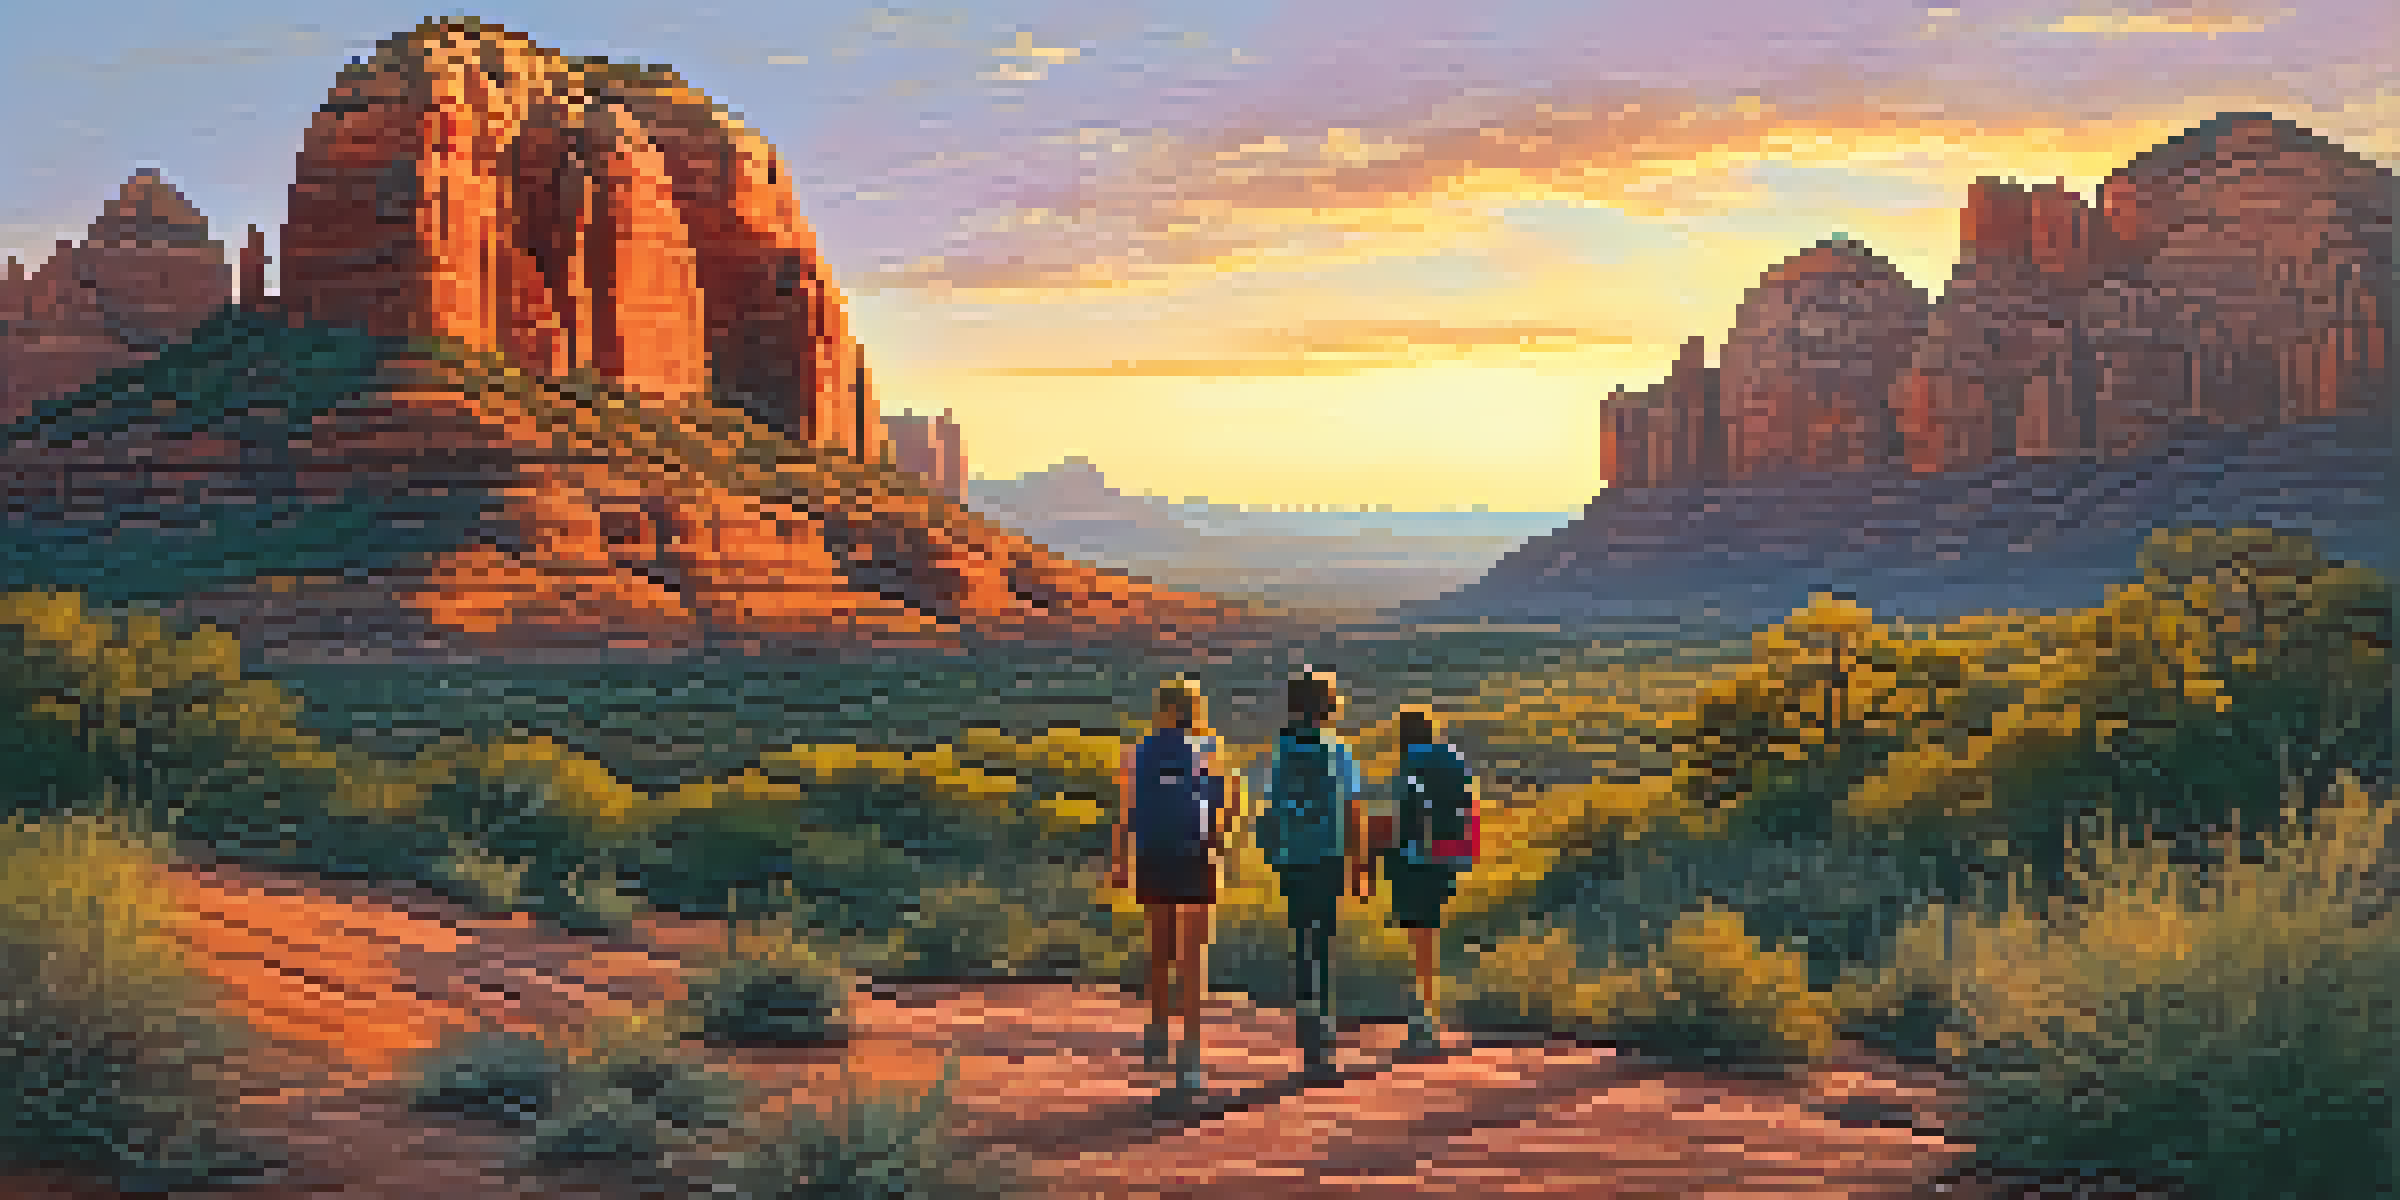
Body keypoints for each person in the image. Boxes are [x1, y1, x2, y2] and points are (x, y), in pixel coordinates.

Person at [1108, 677, 1242, 1095]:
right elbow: (1227, 805)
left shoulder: (1137, 752)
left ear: (1161, 709)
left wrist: (1119, 861)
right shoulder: (1210, 751)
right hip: (1196, 854)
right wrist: (1219, 849)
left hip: (1152, 853)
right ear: (1195, 709)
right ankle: (1192, 1052)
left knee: (1160, 945)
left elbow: (1127, 810)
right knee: (1193, 954)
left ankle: (1158, 1028)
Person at [1254, 668, 1368, 1081]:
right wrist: (1359, 865)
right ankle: (1323, 1044)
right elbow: (1355, 810)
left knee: (1302, 946)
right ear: (1328, 705)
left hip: (1292, 857)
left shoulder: (1281, 749)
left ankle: (1308, 1037)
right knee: (1322, 945)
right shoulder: (1338, 750)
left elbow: (1269, 804)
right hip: (1329, 855)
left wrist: (1274, 852)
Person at [1371, 705, 1479, 1056]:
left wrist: (1373, 858)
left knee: (1419, 936)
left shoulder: (1408, 766)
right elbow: (1470, 808)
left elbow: (1398, 816)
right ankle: (1429, 1012)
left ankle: (1422, 1019)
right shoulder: (1454, 760)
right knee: (1431, 930)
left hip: (1416, 857)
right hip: (1451, 854)